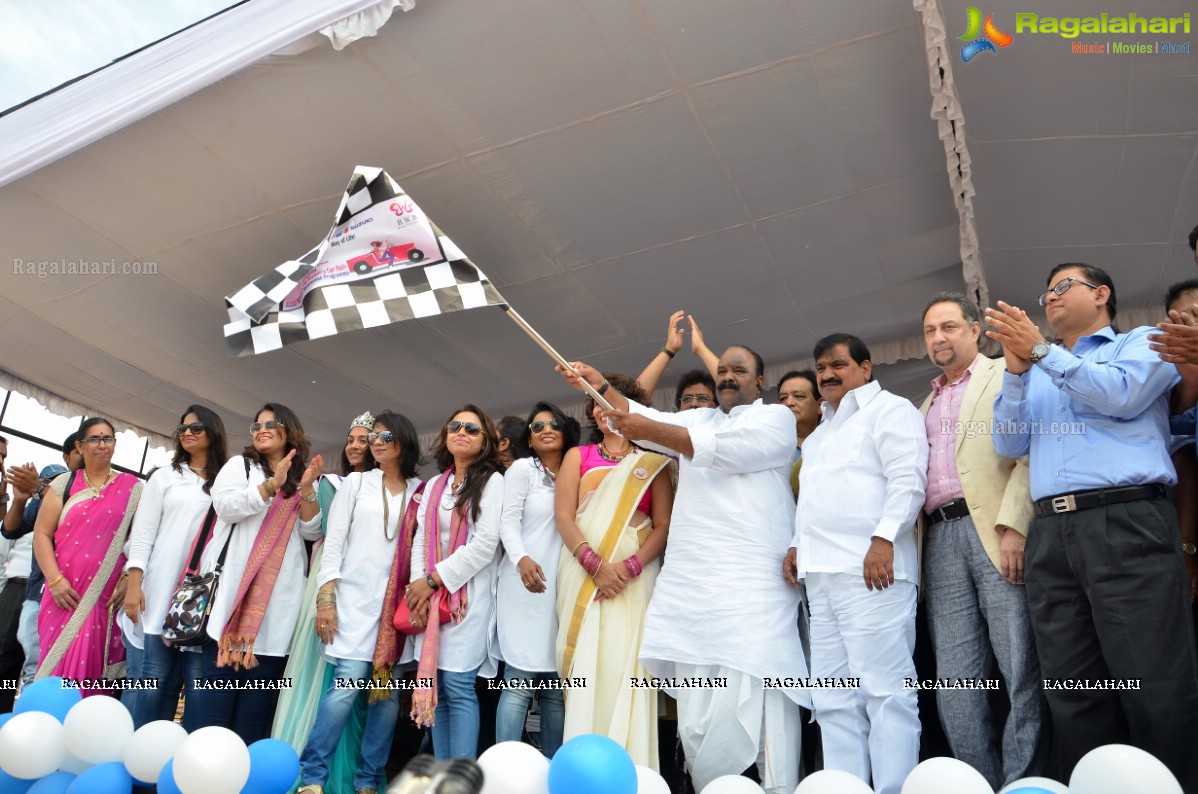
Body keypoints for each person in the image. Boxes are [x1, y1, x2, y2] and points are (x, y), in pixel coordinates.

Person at [986, 263, 1198, 789]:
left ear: (1101, 294)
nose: (1050, 298)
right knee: (1072, 686)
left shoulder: (1139, 342)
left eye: (1063, 287)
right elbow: (1009, 443)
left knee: (1153, 678)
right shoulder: (1035, 369)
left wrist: (1040, 353)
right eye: (1046, 291)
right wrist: (1015, 373)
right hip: (1051, 534)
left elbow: (1120, 395)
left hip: (1124, 518)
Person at [560, 348, 804, 794]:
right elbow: (636, 415)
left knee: (759, 699)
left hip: (752, 589)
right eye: (723, 371)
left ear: (761, 379)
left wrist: (645, 426)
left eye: (738, 371)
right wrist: (599, 384)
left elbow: (720, 450)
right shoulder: (700, 420)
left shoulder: (775, 420)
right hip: (693, 593)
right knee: (696, 716)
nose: (727, 377)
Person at [784, 333, 927, 794]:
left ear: (866, 368)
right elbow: (813, 502)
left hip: (873, 572)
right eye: (820, 367)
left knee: (886, 693)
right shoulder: (820, 434)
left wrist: (884, 537)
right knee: (831, 699)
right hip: (821, 580)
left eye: (838, 365)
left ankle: (893, 789)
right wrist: (795, 544)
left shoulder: (891, 410)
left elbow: (907, 479)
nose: (826, 374)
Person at [917, 294, 1046, 789]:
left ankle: (1023, 783)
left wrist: (1016, 524)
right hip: (939, 541)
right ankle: (978, 782)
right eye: (930, 330)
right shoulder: (922, 405)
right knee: (955, 680)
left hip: (994, 530)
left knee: (1019, 666)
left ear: (975, 331)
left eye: (948, 327)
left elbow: (1032, 450)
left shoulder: (1005, 375)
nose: (938, 338)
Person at [298, 411, 424, 794]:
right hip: (352, 607)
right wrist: (326, 599)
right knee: (346, 688)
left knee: (384, 700)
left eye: (385, 435)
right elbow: (332, 545)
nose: (376, 442)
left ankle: (369, 781)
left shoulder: (422, 490)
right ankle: (312, 777)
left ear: (403, 439)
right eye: (374, 437)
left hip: (392, 618)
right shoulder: (356, 484)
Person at [553, 378, 673, 767]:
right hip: (584, 577)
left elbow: (663, 526)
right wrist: (596, 566)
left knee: (627, 667)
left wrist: (628, 569)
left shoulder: (655, 461)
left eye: (611, 403)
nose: (604, 410)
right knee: (587, 664)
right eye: (596, 403)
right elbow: (564, 516)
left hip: (633, 583)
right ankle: (584, 770)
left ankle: (633, 768)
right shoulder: (579, 456)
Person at [189, 403, 324, 743]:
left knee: (255, 715)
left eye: (270, 423)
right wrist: (269, 487)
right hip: (231, 608)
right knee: (213, 715)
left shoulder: (302, 479)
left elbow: (311, 532)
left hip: (278, 609)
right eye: (256, 425)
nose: (261, 429)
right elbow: (226, 507)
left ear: (288, 430)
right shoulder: (241, 466)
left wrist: (305, 489)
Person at [274, 411, 377, 777]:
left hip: (368, 584)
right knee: (318, 664)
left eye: (363, 440)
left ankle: (345, 772)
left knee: (354, 678)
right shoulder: (332, 483)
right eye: (351, 439)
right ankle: (307, 765)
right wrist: (306, 489)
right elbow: (309, 530)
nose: (354, 446)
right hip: (327, 579)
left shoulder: (388, 490)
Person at [404, 406, 505, 760]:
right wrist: (418, 585)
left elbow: (484, 544)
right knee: (440, 691)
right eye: (456, 426)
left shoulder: (492, 481)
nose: (462, 432)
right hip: (431, 602)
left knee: (459, 687)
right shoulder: (435, 485)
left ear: (485, 441)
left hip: (468, 599)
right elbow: (419, 540)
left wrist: (432, 580)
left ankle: (460, 779)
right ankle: (446, 775)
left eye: (472, 429)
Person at [121, 406, 229, 729]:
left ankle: (178, 764)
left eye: (195, 428)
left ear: (213, 433)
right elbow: (143, 533)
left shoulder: (225, 483)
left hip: (197, 600)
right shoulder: (165, 476)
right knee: (153, 680)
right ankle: (138, 761)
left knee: (197, 686)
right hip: (158, 590)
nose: (187, 434)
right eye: (182, 429)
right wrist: (134, 581)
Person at [34, 418, 145, 695]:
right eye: (95, 439)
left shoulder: (133, 489)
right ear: (80, 446)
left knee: (94, 672)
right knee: (54, 665)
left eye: (108, 439)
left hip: (105, 598)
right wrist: (55, 580)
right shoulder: (64, 483)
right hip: (63, 593)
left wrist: (127, 580)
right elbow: (41, 535)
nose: (102, 445)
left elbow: (141, 541)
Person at [494, 402, 580, 757]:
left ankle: (550, 773)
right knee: (518, 682)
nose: (545, 429)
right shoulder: (522, 469)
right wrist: (522, 559)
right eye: (536, 425)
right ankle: (505, 771)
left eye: (553, 423)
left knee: (556, 689)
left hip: (564, 586)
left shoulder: (580, 468)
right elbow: (507, 522)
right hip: (525, 583)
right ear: (528, 437)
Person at [3, 432, 80, 690]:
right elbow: (10, 530)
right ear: (68, 456)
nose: (92, 450)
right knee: (26, 667)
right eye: (81, 447)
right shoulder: (51, 489)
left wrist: (39, 488)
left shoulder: (103, 495)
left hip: (78, 596)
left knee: (60, 670)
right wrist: (21, 498)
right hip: (33, 591)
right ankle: (22, 722)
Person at [637, 311, 720, 399]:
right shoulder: (674, 413)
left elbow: (733, 388)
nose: (694, 403)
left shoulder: (727, 412)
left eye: (702, 398)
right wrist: (669, 349)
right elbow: (634, 402)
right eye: (686, 399)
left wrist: (701, 348)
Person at [776, 370, 821, 497]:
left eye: (799, 396)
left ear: (820, 405)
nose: (789, 403)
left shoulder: (833, 444)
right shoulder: (772, 447)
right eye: (783, 398)